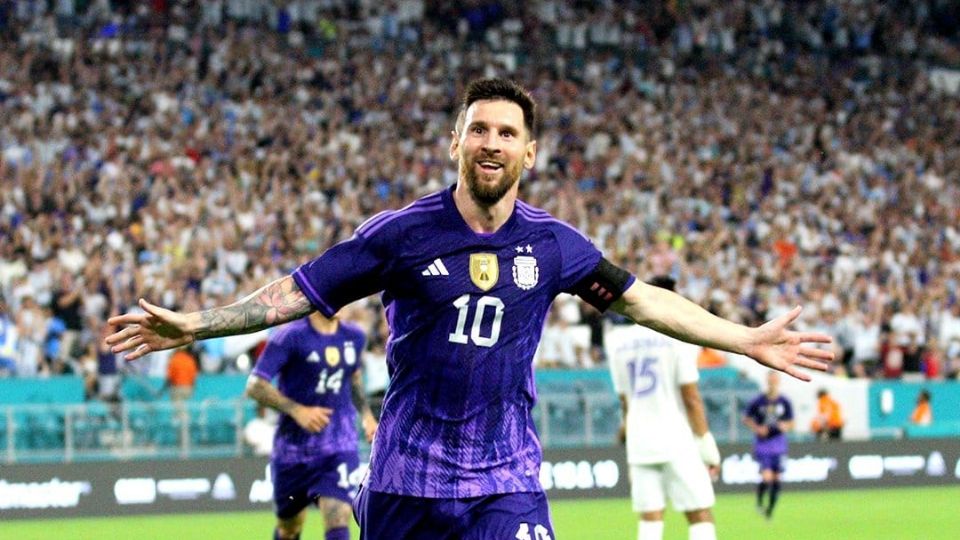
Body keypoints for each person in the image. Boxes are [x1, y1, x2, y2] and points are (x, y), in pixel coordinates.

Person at [106, 78, 833, 539]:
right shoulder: (400, 235)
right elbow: (297, 291)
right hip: (404, 482)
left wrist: (744, 340)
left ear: (530, 153)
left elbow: (642, 301)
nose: (491, 143)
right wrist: (196, 324)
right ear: (455, 141)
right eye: (479, 130)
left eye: (507, 133)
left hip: (506, 480)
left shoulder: (554, 245)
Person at [246, 311, 378, 540]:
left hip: (339, 446)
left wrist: (366, 416)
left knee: (338, 519)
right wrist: (297, 410)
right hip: (293, 452)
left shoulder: (354, 336)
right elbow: (255, 386)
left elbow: (354, 379)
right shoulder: (290, 336)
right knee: (289, 529)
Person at [607, 276, 721, 540]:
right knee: (700, 514)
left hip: (640, 441)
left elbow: (625, 401)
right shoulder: (677, 337)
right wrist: (706, 446)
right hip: (675, 437)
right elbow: (691, 397)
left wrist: (629, 439)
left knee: (650, 519)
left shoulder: (617, 342)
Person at [743, 371, 794, 520]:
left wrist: (786, 426)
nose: (772, 382)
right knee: (767, 478)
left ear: (778, 381)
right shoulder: (758, 401)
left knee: (777, 479)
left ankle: (770, 510)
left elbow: (791, 422)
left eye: (774, 380)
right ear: (767, 381)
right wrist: (757, 428)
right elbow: (746, 418)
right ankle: (759, 501)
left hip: (779, 443)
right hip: (763, 443)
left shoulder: (784, 401)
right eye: (770, 380)